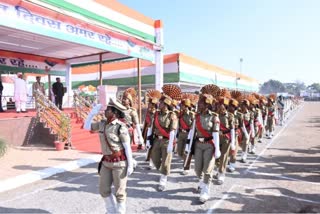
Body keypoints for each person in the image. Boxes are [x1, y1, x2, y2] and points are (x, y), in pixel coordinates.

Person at [83, 98, 133, 214]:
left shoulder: (120, 127)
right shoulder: (102, 124)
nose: (105, 111)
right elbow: (87, 127)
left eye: (108, 110)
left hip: (119, 163)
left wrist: (130, 165)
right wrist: (91, 113)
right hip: (106, 163)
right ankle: (111, 210)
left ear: (114, 112)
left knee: (120, 192)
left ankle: (120, 212)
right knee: (103, 190)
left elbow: (127, 147)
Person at [146, 84, 180, 191]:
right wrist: (148, 140)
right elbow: (151, 127)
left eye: (160, 103)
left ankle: (163, 179)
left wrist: (171, 144)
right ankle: (162, 171)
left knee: (166, 161)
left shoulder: (172, 115)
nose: (158, 104)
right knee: (155, 159)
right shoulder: (156, 114)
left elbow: (172, 131)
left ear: (166, 105)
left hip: (166, 141)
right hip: (156, 140)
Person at [192, 87, 220, 203]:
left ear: (207, 105)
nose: (198, 105)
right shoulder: (197, 116)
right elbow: (192, 131)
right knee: (198, 169)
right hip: (198, 145)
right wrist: (189, 147)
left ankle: (205, 191)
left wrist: (217, 149)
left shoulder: (214, 117)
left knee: (207, 170)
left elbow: (215, 134)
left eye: (201, 103)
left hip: (209, 145)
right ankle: (202, 181)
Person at [176, 93, 195, 175]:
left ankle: (186, 166)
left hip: (188, 134)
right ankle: (185, 161)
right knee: (179, 151)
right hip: (181, 134)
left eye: (183, 105)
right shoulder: (180, 114)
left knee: (186, 151)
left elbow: (193, 126)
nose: (181, 107)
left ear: (186, 106)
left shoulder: (192, 114)